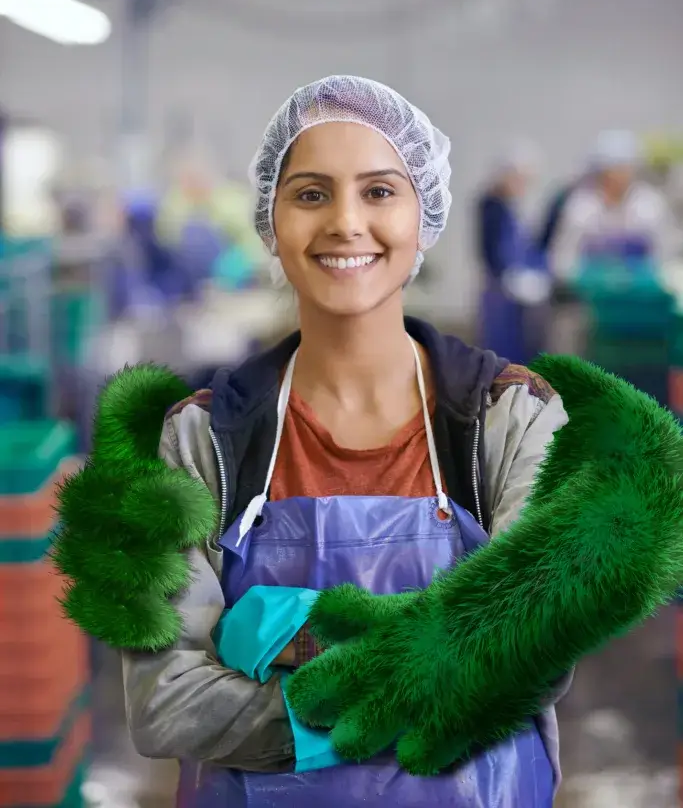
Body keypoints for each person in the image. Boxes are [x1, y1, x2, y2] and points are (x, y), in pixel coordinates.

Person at [54, 77, 683, 808]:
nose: (345, 222)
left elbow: (525, 659)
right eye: (311, 193)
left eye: (380, 192)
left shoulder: (506, 417)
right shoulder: (202, 436)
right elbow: (167, 702)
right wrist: (420, 663)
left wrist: (274, 638)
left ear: (425, 216)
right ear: (270, 219)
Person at [549, 129, 676, 283]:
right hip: (592, 293)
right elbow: (563, 258)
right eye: (615, 170)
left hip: (641, 291)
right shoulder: (582, 207)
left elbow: (666, 254)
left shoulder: (649, 204)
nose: (621, 175)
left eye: (626, 168)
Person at [476, 144, 549, 363]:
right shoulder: (492, 207)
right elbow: (492, 253)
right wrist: (510, 277)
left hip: (518, 299)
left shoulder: (512, 208)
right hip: (501, 295)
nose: (523, 186)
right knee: (502, 354)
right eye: (519, 179)